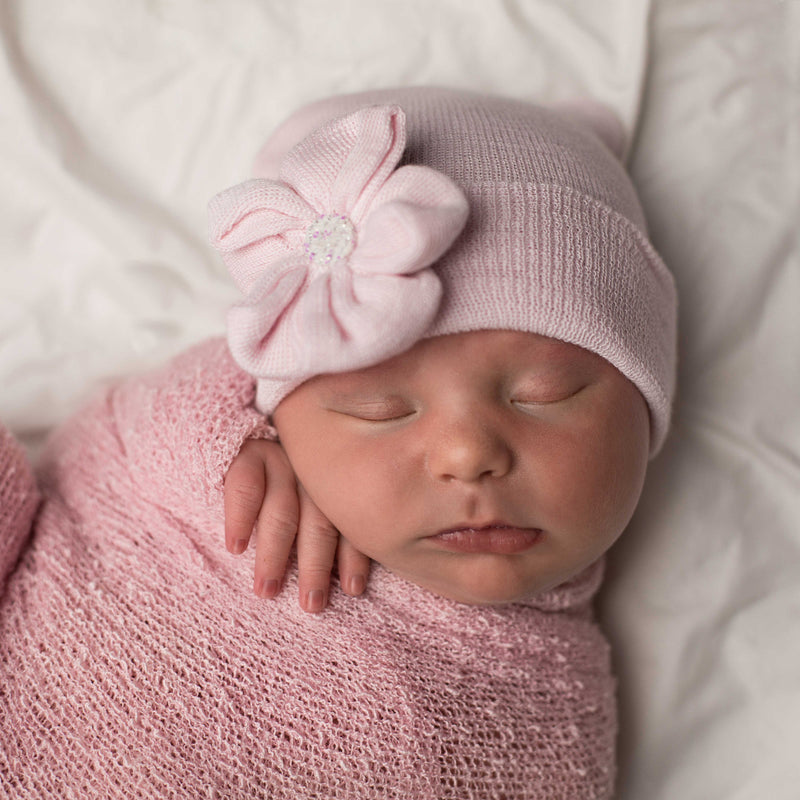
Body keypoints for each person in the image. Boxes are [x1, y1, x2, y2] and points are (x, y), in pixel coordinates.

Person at [0, 87, 676, 799]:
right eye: (377, 407)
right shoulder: (191, 438)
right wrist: (224, 438)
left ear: (651, 400)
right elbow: (78, 469)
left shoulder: (552, 727)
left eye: (545, 394)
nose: (466, 453)